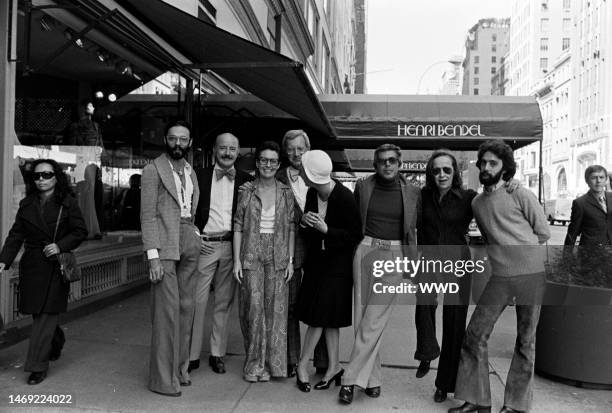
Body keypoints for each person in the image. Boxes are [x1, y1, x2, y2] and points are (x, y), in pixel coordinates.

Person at [450, 140, 550, 413]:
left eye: (493, 163)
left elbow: (544, 232)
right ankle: (477, 400)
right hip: (500, 278)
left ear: (505, 167)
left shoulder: (520, 194)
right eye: (483, 162)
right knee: (474, 334)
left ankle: (516, 405)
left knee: (525, 341)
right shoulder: (478, 203)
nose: (486, 167)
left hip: (531, 275)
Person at [415, 150, 520, 402]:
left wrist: (509, 184)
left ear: (455, 173)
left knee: (454, 324)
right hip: (428, 261)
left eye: (447, 170)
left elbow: (492, 200)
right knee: (424, 307)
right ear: (431, 173)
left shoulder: (468, 198)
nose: (441, 174)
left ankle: (444, 384)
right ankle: (428, 351)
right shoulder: (422, 196)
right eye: (436, 170)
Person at [339, 144, 421, 405]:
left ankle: (349, 380)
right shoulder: (363, 187)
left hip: (394, 257)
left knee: (374, 320)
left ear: (399, 164)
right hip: (365, 250)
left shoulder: (413, 192)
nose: (388, 165)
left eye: (392, 161)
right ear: (375, 165)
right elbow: (350, 219)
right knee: (362, 319)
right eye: (382, 161)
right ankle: (372, 379)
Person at [0, 159, 87, 385]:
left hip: (56, 266)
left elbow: (80, 231)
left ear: (56, 177)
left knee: (46, 314)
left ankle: (37, 366)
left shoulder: (68, 203)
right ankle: (55, 340)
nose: (41, 179)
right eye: (37, 176)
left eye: (47, 175)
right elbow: (16, 234)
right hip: (33, 265)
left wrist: (60, 245)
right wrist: (4, 261)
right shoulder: (27, 204)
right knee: (40, 314)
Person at [141, 119, 200, 397]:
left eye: (183, 139)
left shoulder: (190, 171)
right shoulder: (153, 170)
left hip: (189, 240)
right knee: (166, 315)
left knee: (187, 310)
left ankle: (181, 370)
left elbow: (190, 207)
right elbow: (147, 215)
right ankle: (163, 380)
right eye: (173, 138)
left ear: (189, 142)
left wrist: (195, 233)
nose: (178, 143)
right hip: (164, 247)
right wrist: (152, 256)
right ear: (166, 139)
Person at [295, 150, 362, 392]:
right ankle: (334, 366)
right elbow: (309, 229)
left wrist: (326, 230)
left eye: (303, 169)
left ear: (312, 175)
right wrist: (305, 223)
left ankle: (303, 365)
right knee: (329, 319)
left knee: (318, 316)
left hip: (337, 268)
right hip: (318, 265)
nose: (300, 172)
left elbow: (355, 235)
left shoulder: (344, 197)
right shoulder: (313, 193)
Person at [188, 133, 253, 375]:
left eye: (232, 149)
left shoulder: (247, 181)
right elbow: (187, 210)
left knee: (223, 304)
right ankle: (192, 355)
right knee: (197, 302)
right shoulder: (199, 176)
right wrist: (195, 236)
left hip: (231, 247)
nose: (227, 153)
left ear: (238, 152)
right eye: (223, 148)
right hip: (204, 245)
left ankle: (217, 354)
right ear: (214, 149)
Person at [233, 141, 295, 382]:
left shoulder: (286, 192)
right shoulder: (246, 190)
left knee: (275, 311)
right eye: (263, 160)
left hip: (278, 254)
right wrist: (238, 260)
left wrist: (290, 260)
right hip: (251, 251)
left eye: (273, 161)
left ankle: (273, 365)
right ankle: (254, 365)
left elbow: (291, 227)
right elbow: (238, 224)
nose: (268, 165)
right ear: (257, 163)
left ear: (278, 164)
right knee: (254, 309)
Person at [276, 129, 328, 376]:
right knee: (291, 305)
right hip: (291, 249)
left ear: (308, 150)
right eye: (291, 149)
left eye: (301, 148)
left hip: (319, 249)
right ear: (285, 152)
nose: (296, 153)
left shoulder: (322, 174)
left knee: (320, 303)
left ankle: (322, 361)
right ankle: (291, 359)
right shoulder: (277, 177)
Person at [564, 165, 612, 247]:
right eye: (594, 178)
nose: (598, 181)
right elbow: (572, 233)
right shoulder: (580, 203)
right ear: (587, 180)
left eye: (601, 177)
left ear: (606, 179)